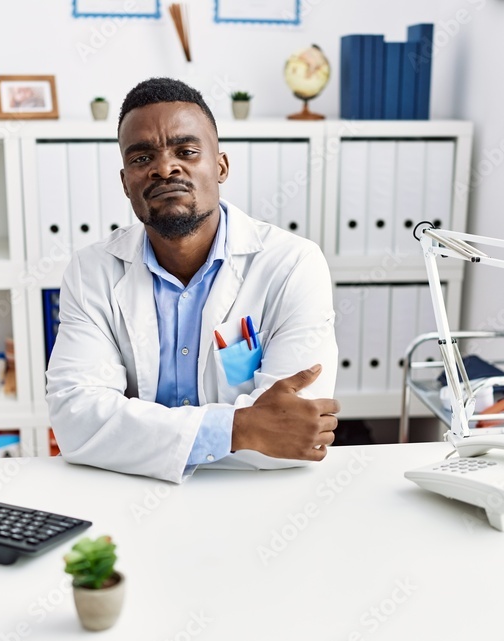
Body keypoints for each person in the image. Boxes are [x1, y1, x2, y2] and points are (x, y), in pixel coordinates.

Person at [46, 77, 339, 483]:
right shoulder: (91, 270)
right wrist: (240, 429)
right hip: (130, 493)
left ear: (220, 166)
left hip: (250, 493)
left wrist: (136, 439)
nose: (164, 168)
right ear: (125, 181)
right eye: (141, 158)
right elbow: (76, 422)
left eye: (186, 151)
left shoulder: (293, 264)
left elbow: (297, 433)